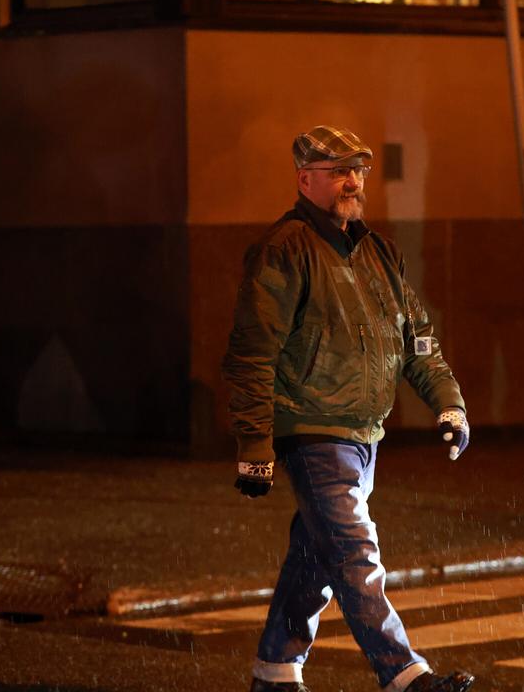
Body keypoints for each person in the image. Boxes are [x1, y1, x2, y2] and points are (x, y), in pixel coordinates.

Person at [223, 125, 476, 692]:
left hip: (364, 433)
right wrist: (254, 445)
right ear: (304, 180)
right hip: (312, 430)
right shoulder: (284, 249)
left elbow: (418, 340)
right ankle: (404, 674)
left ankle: (275, 670)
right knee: (356, 553)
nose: (353, 181)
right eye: (338, 171)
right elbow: (251, 352)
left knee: (316, 555)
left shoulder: (379, 252)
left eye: (358, 170)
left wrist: (449, 404)